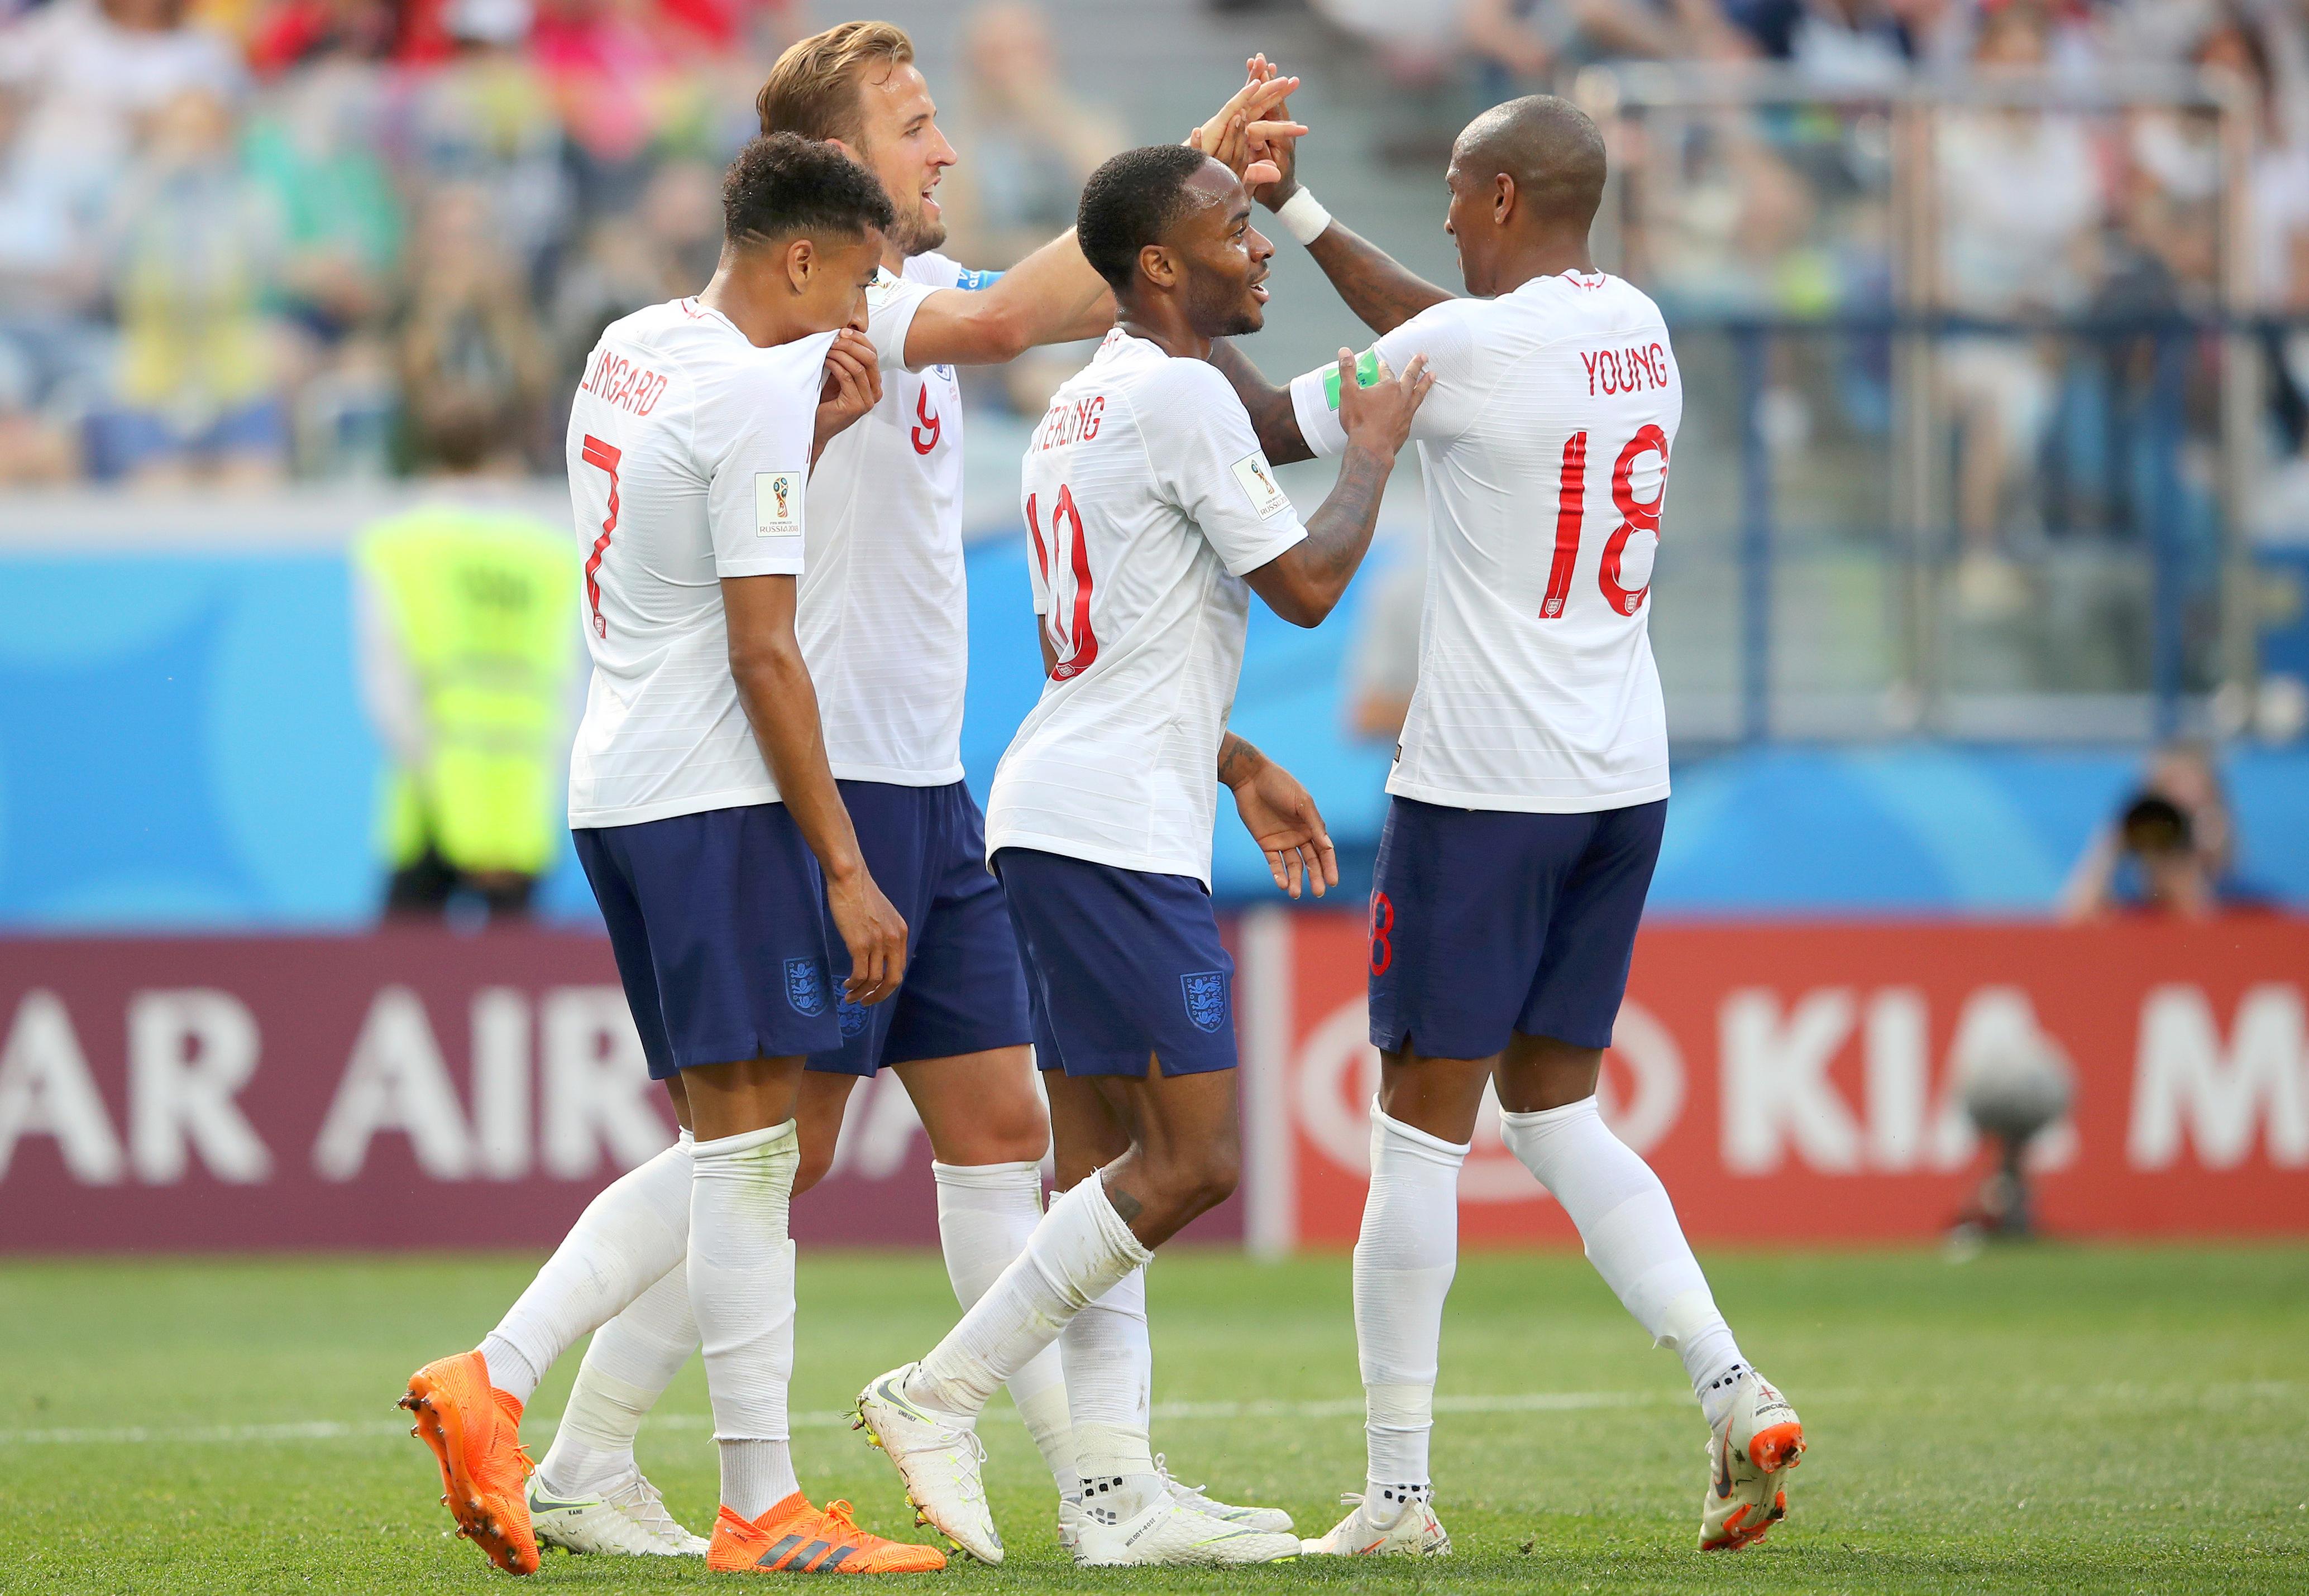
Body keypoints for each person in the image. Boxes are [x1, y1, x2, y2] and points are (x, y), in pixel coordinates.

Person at [498, 23, 1307, 1562]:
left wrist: (1184, 191)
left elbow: (1026, 311)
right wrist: (1176, 197)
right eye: (913, 125)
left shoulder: (903, 303)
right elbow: (1014, 320)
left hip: (925, 785)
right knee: (770, 1155)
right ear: (832, 175)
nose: (941, 150)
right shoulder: (834, 322)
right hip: (825, 792)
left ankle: (1102, 1487)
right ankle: (576, 1436)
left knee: (1001, 1125)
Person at [1203, 87, 1805, 1556]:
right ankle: (1729, 1383)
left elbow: (1280, 420)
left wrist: (1160, 306)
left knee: (1414, 1139)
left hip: (1481, 790)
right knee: (1551, 1107)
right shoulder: (1632, 325)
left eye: (1454, 197)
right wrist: (1290, 211)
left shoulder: (1464, 349)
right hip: (1618, 778)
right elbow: (1445, 340)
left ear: (1487, 203)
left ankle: (1397, 1497)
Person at [851, 141, 1432, 1569]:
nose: (1260, 249)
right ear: (1159, 265)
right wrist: (1373, 456)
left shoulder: (1100, 393)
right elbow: (1299, 589)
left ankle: (1109, 1497)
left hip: (1072, 805)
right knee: (1191, 1165)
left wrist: (1230, 757)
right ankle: (938, 1391)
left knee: (1103, 1165)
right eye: (1234, 227)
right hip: (1109, 829)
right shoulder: (1174, 394)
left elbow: (1135, 620)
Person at [399, 131, 945, 1578]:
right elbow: (765, 651)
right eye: (859, 283)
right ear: (802, 259)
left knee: (738, 1144)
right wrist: (844, 863)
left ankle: (523, 1392)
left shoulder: (637, 343)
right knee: (755, 1152)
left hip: (621, 782)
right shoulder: (756, 389)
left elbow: (664, 524)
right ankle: (734, 1495)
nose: (863, 317)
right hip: (715, 799)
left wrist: (811, 437)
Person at [354, 398, 578, 923]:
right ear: (504, 455)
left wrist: (449, 794)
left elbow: (386, 684)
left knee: (398, 983)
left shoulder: (398, 546)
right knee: (509, 988)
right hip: (519, 799)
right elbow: (571, 683)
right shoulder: (549, 554)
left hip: (431, 797)